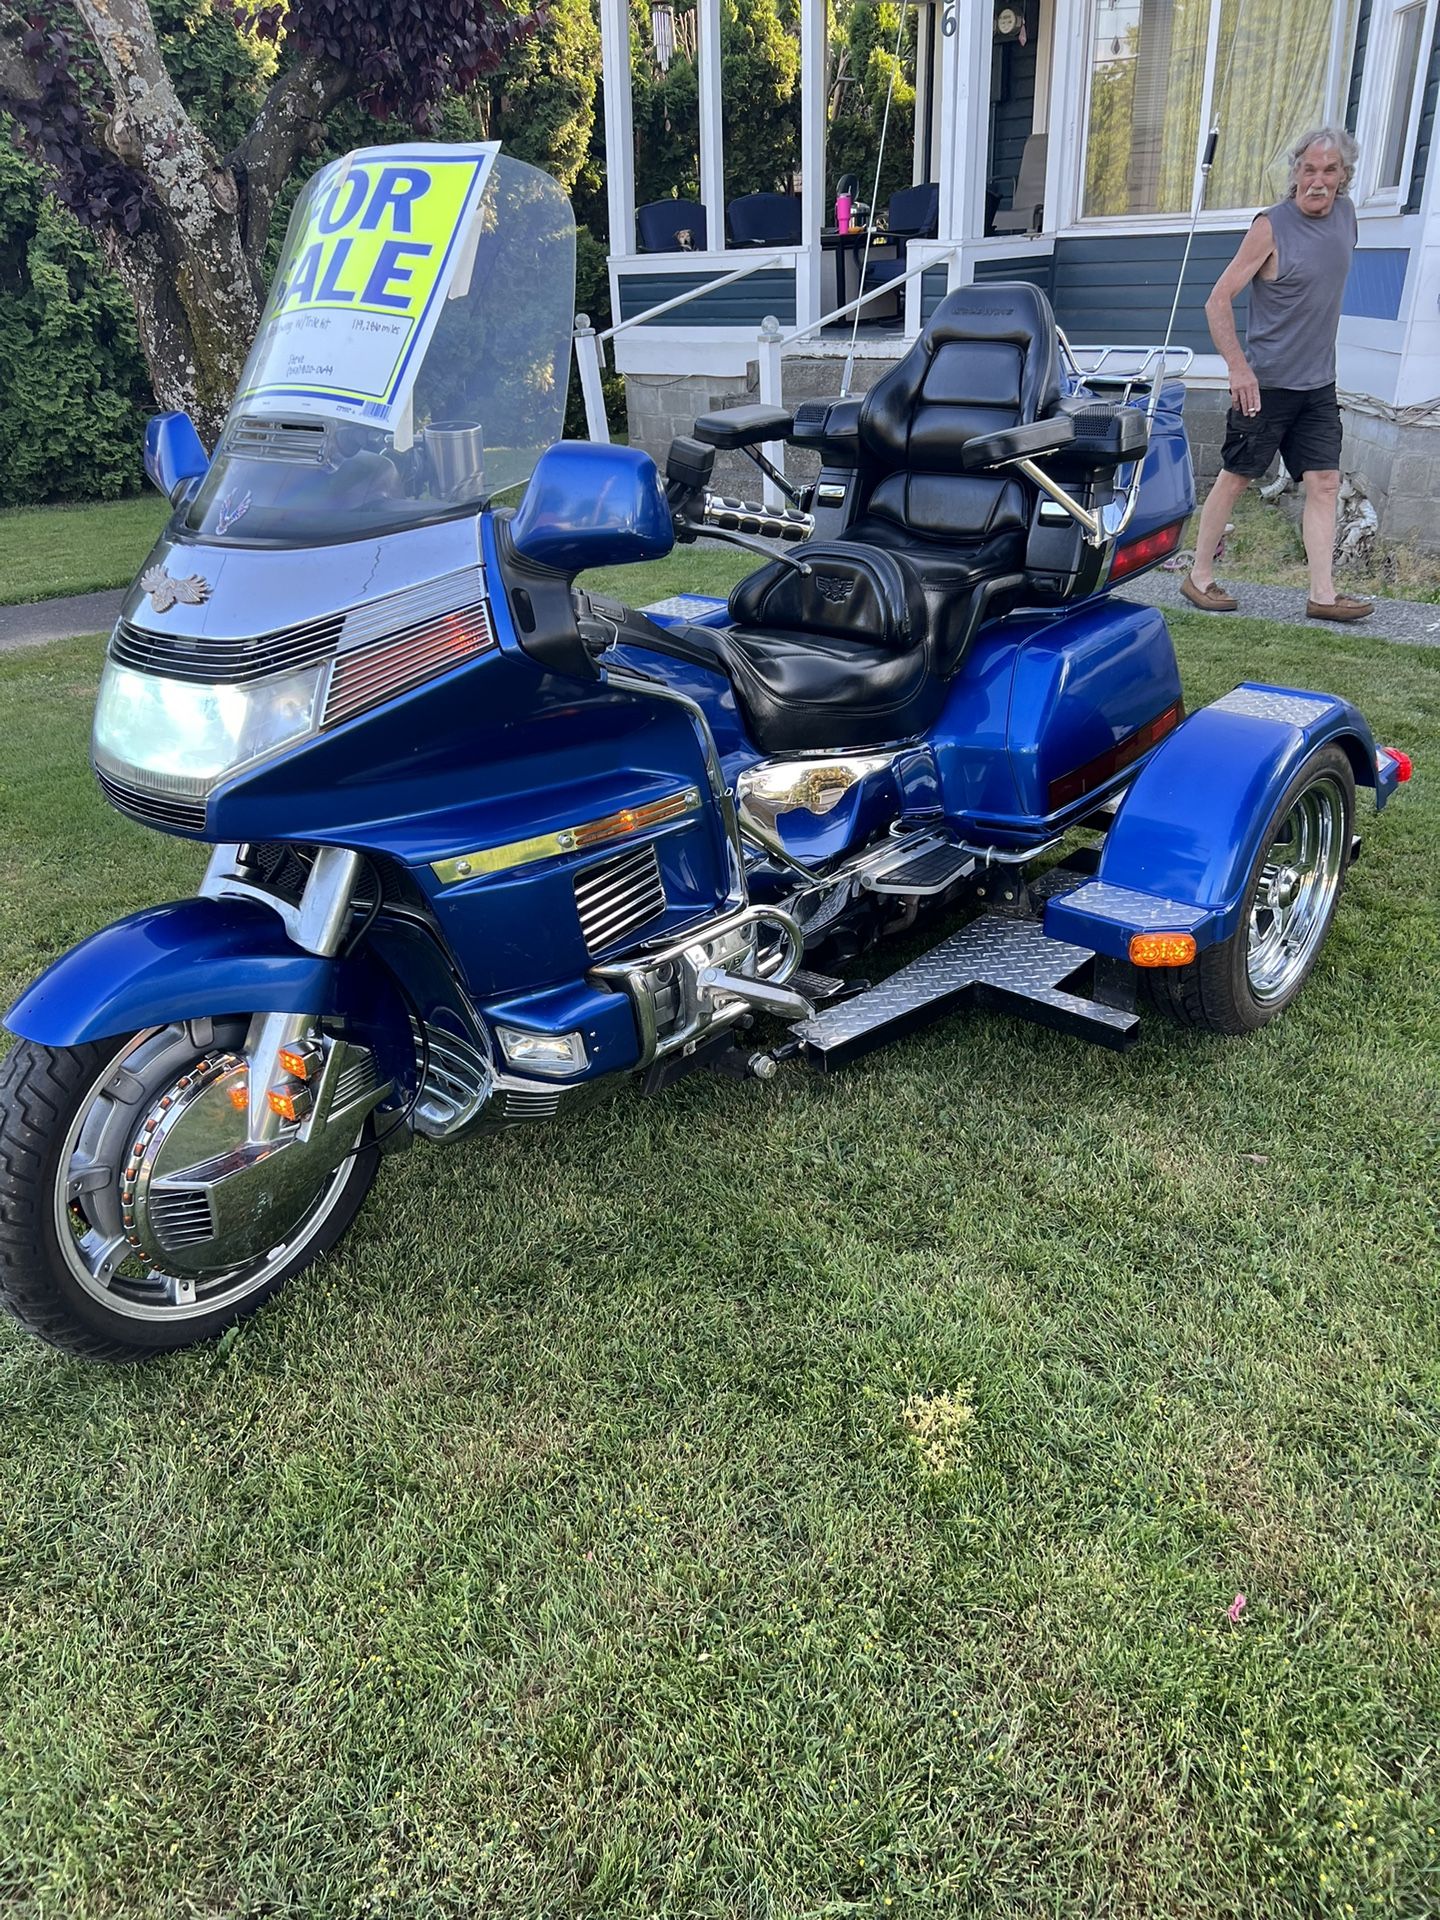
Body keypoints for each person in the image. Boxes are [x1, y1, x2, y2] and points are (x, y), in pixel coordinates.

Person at [1182, 126, 1372, 623]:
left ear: (1343, 175)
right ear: (1296, 173)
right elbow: (1217, 299)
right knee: (1237, 477)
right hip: (1264, 384)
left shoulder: (1348, 218)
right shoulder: (1271, 227)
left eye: (1329, 170)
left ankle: (1322, 595)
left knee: (1325, 481)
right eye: (1309, 169)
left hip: (1317, 384)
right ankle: (1199, 575)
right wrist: (1238, 369)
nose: (1318, 180)